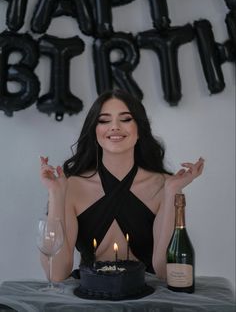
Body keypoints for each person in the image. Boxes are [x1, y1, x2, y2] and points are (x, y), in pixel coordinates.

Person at [40, 89, 204, 282]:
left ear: (140, 129)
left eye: (125, 119)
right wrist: (56, 194)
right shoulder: (72, 187)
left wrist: (172, 191)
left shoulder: (164, 185)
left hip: (146, 299)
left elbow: (164, 273)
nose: (115, 127)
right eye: (104, 120)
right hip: (90, 297)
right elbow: (56, 274)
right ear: (94, 130)